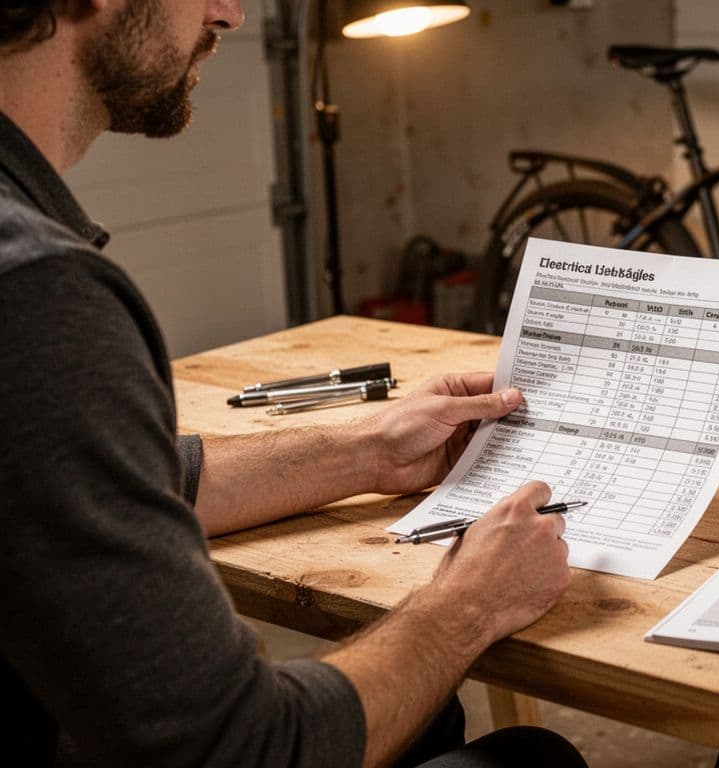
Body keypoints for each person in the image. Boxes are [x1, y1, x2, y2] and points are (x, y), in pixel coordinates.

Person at [0, 1, 587, 766]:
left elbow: (111, 482)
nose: (231, 13)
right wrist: (470, 603)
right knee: (530, 760)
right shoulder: (38, 293)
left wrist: (374, 450)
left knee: (423, 718)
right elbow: (237, 749)